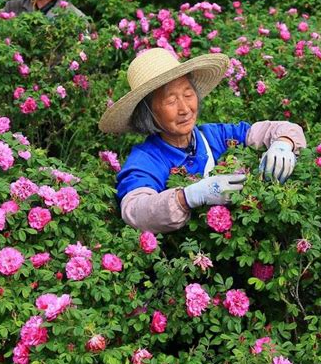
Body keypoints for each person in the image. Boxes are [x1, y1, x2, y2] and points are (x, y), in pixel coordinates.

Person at [99, 48, 307, 233]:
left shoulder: (215, 136)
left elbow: (281, 129)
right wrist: (189, 197)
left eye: (188, 94)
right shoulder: (146, 160)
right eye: (171, 100)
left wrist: (283, 144)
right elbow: (134, 210)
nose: (184, 108)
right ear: (148, 113)